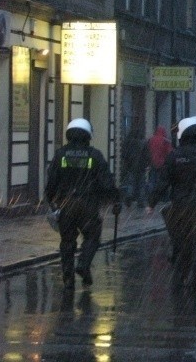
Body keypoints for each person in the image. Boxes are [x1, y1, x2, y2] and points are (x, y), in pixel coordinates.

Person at [148, 116, 196, 291]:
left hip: (181, 206)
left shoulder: (174, 156)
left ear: (182, 135)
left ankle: (183, 273)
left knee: (181, 241)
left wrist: (151, 202)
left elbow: (163, 182)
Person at [44, 118, 118, 290]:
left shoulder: (60, 154)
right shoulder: (95, 155)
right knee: (92, 237)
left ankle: (68, 276)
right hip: (88, 204)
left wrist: (51, 199)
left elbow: (52, 181)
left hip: (66, 204)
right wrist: (115, 199)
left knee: (67, 241)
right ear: (88, 135)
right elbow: (106, 182)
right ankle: (83, 264)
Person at [122, 128, 150, 207]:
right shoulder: (143, 143)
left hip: (131, 166)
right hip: (141, 166)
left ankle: (129, 195)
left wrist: (127, 163)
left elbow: (124, 154)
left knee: (131, 182)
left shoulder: (127, 142)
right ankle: (140, 201)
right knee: (141, 184)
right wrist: (147, 163)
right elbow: (147, 155)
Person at [147, 126, 173, 195]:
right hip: (162, 164)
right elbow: (170, 153)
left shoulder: (151, 140)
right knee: (162, 181)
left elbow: (147, 151)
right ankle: (163, 197)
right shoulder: (165, 141)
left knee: (152, 180)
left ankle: (151, 195)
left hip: (153, 163)